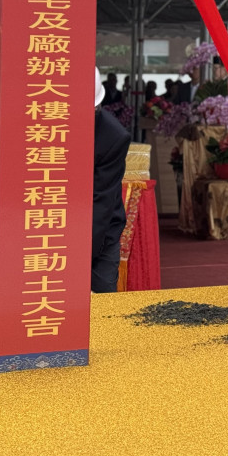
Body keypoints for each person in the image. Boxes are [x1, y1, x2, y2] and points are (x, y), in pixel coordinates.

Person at [92, 67, 131, 293]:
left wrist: (80, 258)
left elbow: (101, 201)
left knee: (102, 298)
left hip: (100, 232)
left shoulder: (113, 136)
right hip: (49, 227)